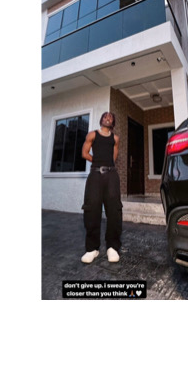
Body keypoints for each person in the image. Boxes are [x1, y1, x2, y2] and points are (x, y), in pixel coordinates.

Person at [80, 112, 122, 264]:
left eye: (111, 116)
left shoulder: (115, 139)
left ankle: (112, 247)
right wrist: (97, 161)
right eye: (105, 116)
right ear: (101, 120)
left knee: (114, 210)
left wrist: (106, 165)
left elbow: (113, 158)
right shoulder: (92, 135)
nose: (108, 117)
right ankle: (92, 249)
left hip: (111, 176)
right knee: (92, 209)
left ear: (113, 122)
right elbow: (84, 153)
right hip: (95, 175)